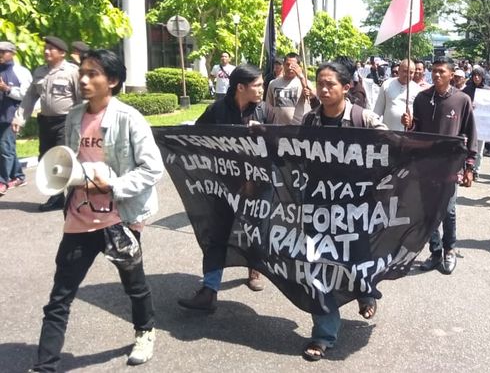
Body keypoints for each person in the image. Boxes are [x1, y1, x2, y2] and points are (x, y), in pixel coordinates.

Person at [31, 49, 164, 371]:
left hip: (120, 219)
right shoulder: (74, 116)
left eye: (93, 73)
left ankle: (145, 330)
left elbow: (153, 169)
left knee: (135, 285)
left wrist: (112, 186)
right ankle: (45, 365)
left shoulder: (129, 118)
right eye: (82, 72)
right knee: (60, 296)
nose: (84, 79)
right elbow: (67, 162)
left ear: (113, 80)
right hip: (79, 219)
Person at [300, 62, 387, 362]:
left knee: (358, 259)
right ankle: (324, 334)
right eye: (319, 83)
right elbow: (294, 153)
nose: (323, 90)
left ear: (346, 87)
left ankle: (365, 292)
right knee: (318, 266)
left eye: (330, 84)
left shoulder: (364, 119)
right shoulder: (310, 121)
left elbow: (392, 149)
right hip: (318, 208)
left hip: (356, 209)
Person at [177, 65, 269, 312]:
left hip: (255, 188)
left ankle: (254, 270)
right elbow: (197, 138)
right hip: (222, 188)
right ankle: (209, 290)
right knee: (217, 236)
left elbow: (275, 149)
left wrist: (263, 138)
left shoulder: (264, 111)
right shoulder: (216, 110)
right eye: (257, 85)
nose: (262, 89)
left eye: (262, 84)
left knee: (254, 233)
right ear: (241, 87)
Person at [401, 57, 477, 275]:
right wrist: (410, 124)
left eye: (441, 72)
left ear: (451, 75)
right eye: (433, 71)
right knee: (428, 211)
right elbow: (416, 131)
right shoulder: (422, 98)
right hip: (425, 164)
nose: (436, 75)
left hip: (450, 166)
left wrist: (469, 166)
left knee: (449, 210)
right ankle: (434, 252)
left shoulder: (462, 100)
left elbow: (470, 133)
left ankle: (449, 249)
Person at [13, 36, 81, 211]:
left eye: (51, 48)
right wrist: (20, 118)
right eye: (45, 48)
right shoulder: (39, 72)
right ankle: (57, 198)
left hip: (65, 122)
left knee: (64, 158)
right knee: (46, 158)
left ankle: (74, 196)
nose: (46, 51)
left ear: (62, 53)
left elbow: (81, 99)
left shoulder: (72, 71)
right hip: (45, 122)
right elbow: (29, 97)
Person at [0, 41, 32, 194]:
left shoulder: (21, 72)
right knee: (8, 148)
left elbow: (27, 95)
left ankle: (2, 181)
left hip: (11, 117)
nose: (0, 54)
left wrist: (6, 88)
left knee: (5, 148)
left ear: (12, 53)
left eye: (3, 52)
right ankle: (18, 176)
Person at [266, 53, 315, 124]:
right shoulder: (273, 83)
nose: (289, 68)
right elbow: (268, 106)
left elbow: (311, 99)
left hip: (298, 128)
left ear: (299, 66)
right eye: (287, 64)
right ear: (283, 65)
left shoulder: (305, 82)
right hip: (277, 128)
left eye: (293, 66)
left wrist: (302, 78)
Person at [373, 59, 419, 130]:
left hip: (408, 135)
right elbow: (377, 113)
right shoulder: (387, 84)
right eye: (405, 71)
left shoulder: (417, 90)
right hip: (387, 133)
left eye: (411, 72)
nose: (408, 75)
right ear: (399, 70)